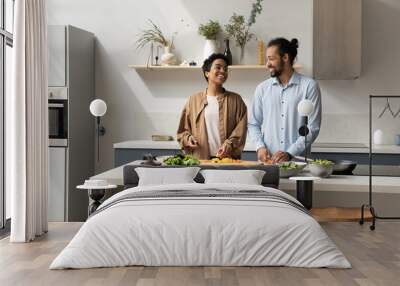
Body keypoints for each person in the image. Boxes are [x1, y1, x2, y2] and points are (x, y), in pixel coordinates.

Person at [248, 37, 322, 163]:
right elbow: (253, 124)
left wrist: (289, 153)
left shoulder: (309, 86)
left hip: (298, 164)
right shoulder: (262, 89)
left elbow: (313, 127)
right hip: (269, 163)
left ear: (285, 58)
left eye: (271, 59)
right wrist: (260, 147)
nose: (267, 64)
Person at [177, 53, 247, 160]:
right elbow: (183, 131)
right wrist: (188, 139)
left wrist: (229, 145)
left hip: (227, 162)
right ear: (207, 73)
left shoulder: (236, 100)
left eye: (225, 69)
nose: (223, 71)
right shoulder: (193, 100)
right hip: (200, 160)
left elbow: (241, 131)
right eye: (218, 67)